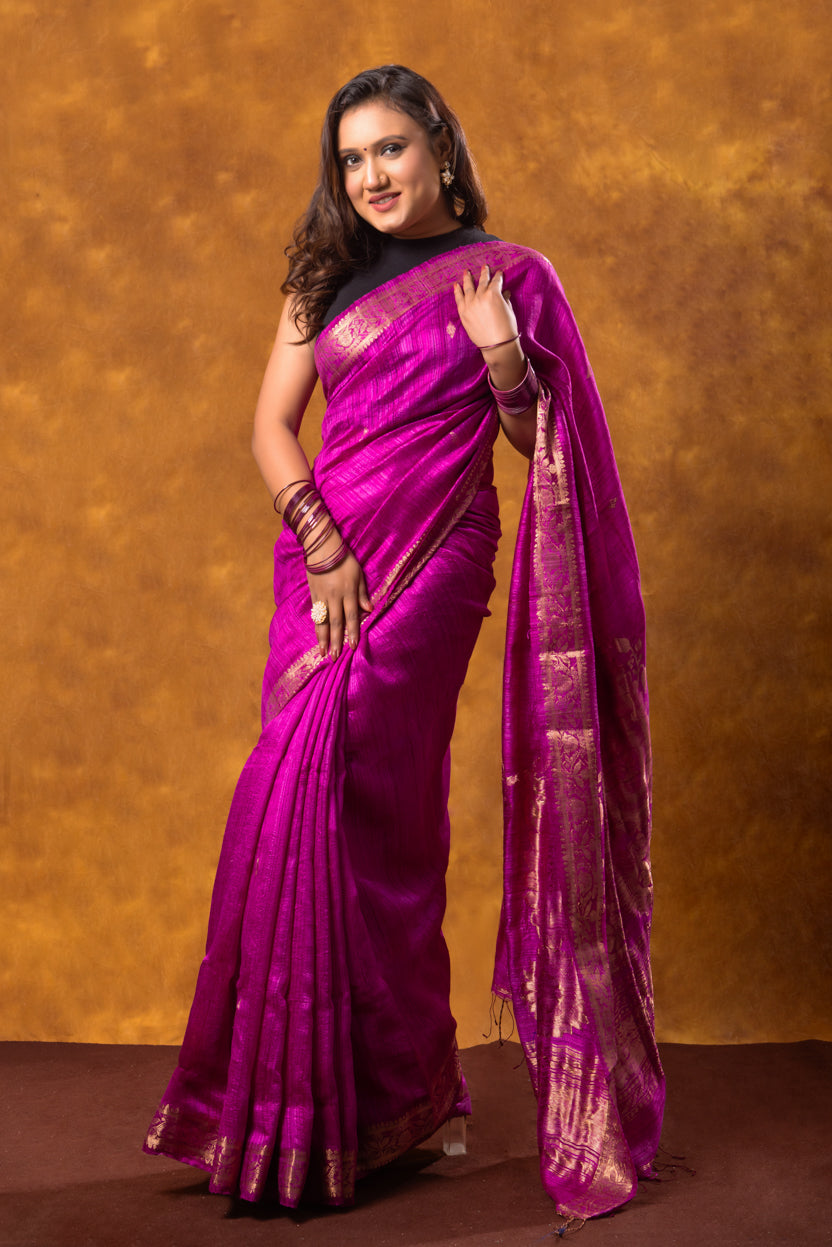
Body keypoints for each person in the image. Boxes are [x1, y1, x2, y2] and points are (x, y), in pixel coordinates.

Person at [143, 64, 665, 1222]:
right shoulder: (318, 279)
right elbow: (271, 427)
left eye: (390, 148)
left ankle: (386, 1109)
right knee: (284, 799)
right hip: (323, 554)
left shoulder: (508, 275)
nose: (371, 175)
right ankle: (300, 1109)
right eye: (351, 159)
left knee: (371, 803)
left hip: (436, 557)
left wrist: (498, 356)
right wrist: (322, 542)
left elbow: (544, 446)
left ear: (438, 144)